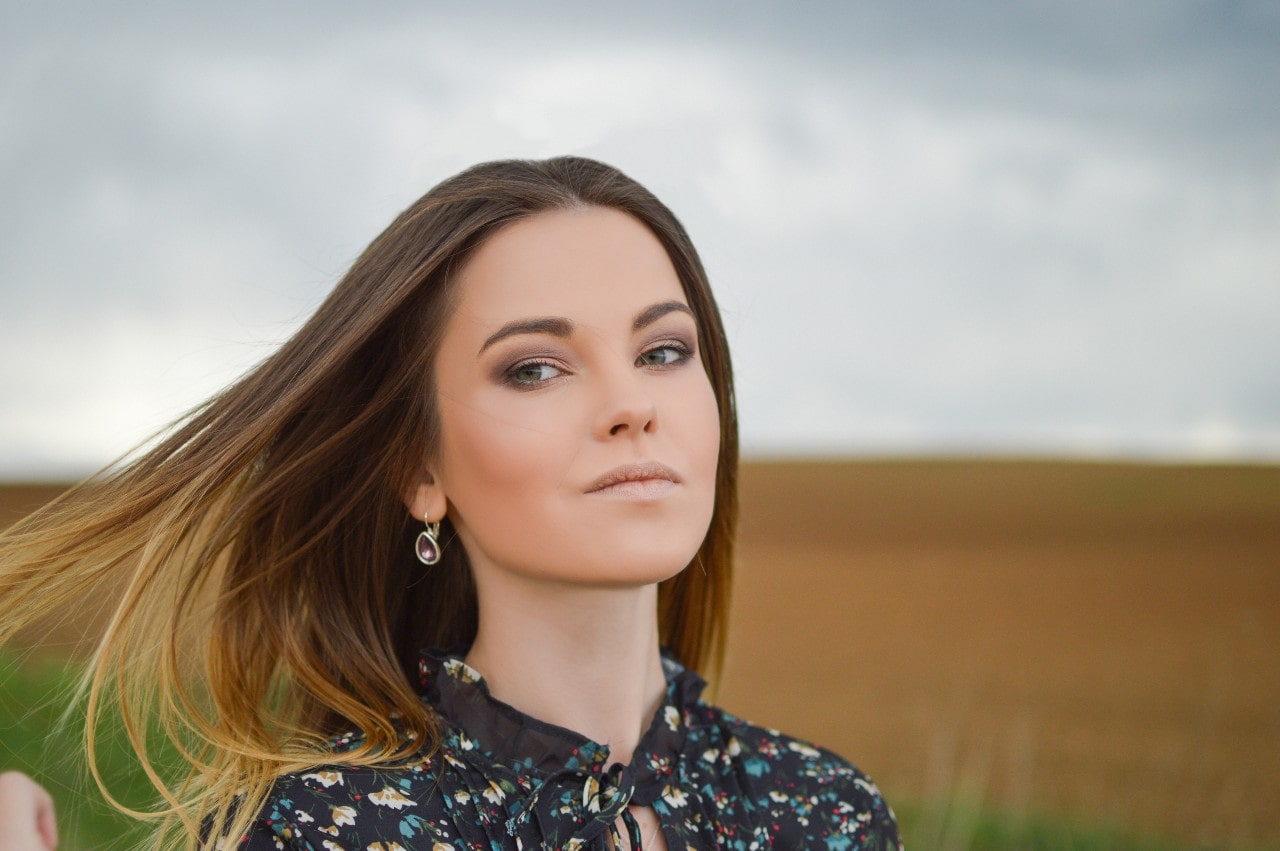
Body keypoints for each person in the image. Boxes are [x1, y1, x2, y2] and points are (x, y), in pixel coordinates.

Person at [0, 157, 900, 849]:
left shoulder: (827, 812)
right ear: (419, 469)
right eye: (535, 368)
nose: (633, 404)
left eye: (663, 351)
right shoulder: (317, 829)